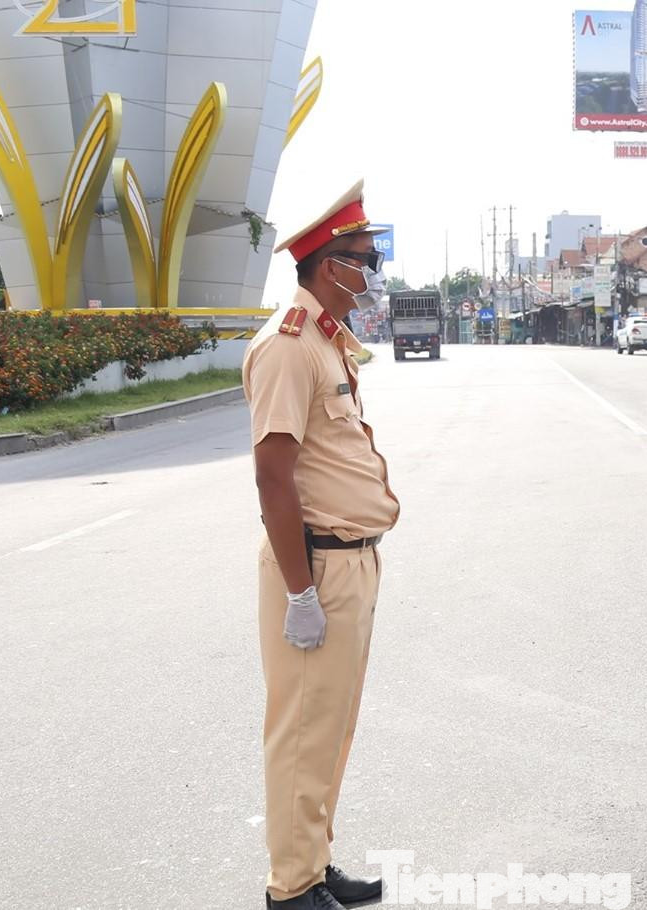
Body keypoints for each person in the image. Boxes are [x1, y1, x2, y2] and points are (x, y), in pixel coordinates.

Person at [243, 180, 401, 910]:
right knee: (303, 730)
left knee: (330, 727)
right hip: (317, 568)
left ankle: (313, 859)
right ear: (330, 264)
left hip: (350, 561)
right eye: (367, 259)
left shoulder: (325, 341)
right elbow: (273, 477)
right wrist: (300, 592)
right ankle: (292, 888)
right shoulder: (287, 347)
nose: (373, 273)